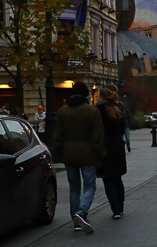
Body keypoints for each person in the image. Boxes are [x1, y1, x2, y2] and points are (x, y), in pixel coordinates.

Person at [52, 82, 104, 234]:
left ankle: (75, 221)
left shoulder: (62, 111)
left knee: (74, 188)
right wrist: (100, 154)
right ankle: (81, 212)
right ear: (87, 94)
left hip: (69, 155)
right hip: (88, 154)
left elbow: (58, 135)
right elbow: (98, 137)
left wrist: (59, 152)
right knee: (90, 186)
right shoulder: (92, 112)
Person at [95, 88, 127, 220]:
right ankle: (120, 206)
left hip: (105, 146)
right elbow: (122, 129)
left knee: (108, 179)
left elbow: (96, 129)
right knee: (118, 178)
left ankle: (115, 209)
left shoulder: (98, 111)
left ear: (102, 97)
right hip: (117, 145)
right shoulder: (118, 109)